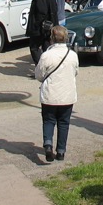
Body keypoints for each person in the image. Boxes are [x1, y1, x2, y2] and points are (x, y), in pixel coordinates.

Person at [36, 25, 77, 163]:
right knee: (64, 123)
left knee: (48, 120)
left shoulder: (46, 55)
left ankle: (48, 145)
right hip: (67, 95)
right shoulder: (72, 55)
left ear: (52, 38)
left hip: (50, 95)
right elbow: (75, 72)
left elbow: (39, 75)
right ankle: (61, 151)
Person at [27, 0, 58, 66]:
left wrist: (37, 25)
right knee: (46, 47)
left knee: (34, 47)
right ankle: (49, 66)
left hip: (41, 28)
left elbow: (42, 12)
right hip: (48, 26)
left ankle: (42, 67)